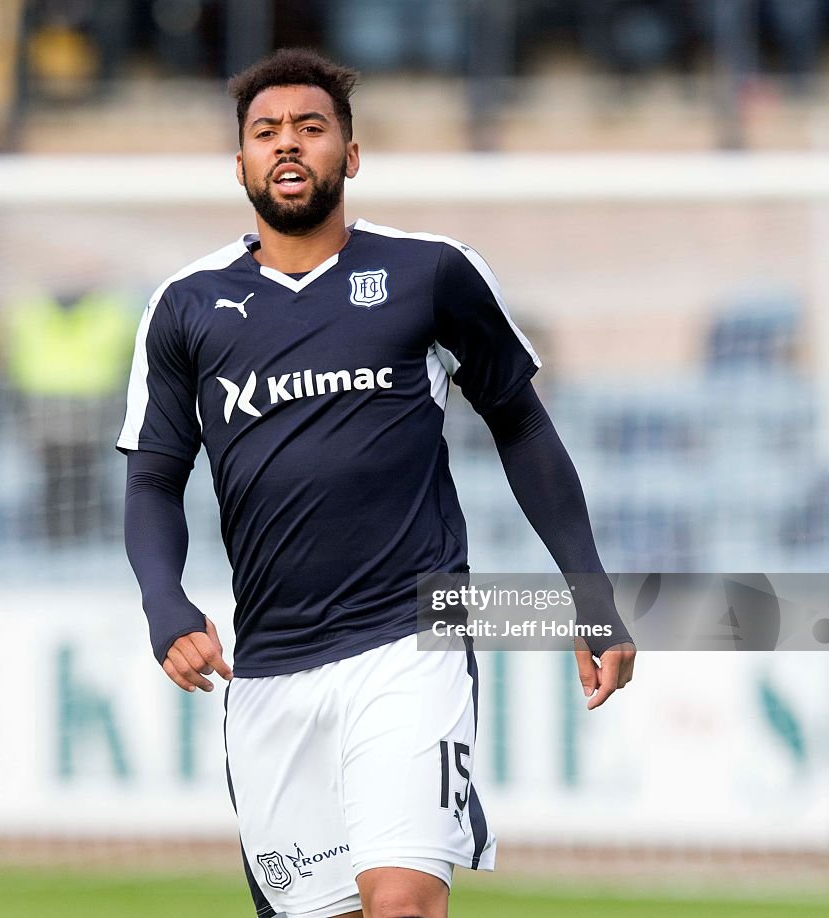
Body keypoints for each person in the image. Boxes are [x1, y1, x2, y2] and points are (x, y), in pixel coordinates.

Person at [119, 48, 636, 918]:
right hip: (272, 673)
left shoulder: (429, 273)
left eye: (312, 129)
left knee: (402, 905)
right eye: (267, 131)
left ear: (350, 155)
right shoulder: (185, 306)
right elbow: (154, 477)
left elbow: (522, 423)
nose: (290, 145)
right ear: (240, 163)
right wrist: (161, 602)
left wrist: (589, 594)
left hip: (409, 643)